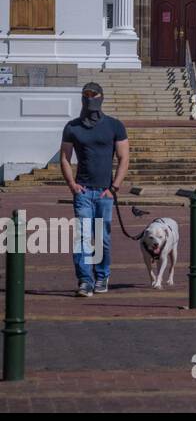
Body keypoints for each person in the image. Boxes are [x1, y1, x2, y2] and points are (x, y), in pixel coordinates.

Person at [60, 82, 129, 297]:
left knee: (102, 238)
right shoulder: (72, 127)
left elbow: (124, 157)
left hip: (104, 193)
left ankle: (102, 275)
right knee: (82, 236)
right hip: (83, 191)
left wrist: (114, 187)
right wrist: (72, 184)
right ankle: (84, 280)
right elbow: (65, 157)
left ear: (101, 97)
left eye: (94, 95)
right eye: (86, 95)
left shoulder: (114, 125)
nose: (90, 99)